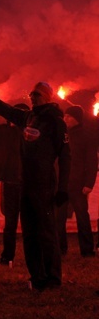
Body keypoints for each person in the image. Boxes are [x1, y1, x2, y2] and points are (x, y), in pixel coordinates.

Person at [0, 81, 70, 290]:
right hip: (27, 184)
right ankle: (37, 276)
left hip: (44, 185)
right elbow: (1, 107)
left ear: (48, 96)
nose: (32, 97)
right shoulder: (28, 117)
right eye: (31, 94)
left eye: (37, 94)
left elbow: (66, 156)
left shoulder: (55, 122)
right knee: (30, 233)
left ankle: (53, 278)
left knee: (47, 233)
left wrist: (63, 188)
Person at [57, 105, 96, 257]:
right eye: (64, 116)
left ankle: (87, 250)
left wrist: (88, 183)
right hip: (61, 183)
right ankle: (60, 249)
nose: (65, 119)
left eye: (69, 116)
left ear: (77, 119)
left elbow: (91, 161)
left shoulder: (86, 135)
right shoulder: (61, 134)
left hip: (78, 183)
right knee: (58, 217)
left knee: (82, 216)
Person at [0, 103, 29, 265]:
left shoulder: (22, 134)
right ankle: (11, 255)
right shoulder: (10, 132)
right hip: (15, 181)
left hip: (22, 182)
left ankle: (13, 256)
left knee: (19, 222)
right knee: (15, 223)